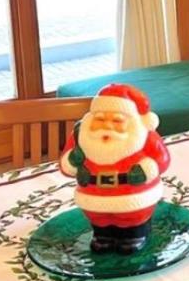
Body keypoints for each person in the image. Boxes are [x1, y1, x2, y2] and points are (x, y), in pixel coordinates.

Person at [60, 83, 170, 253]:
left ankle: (134, 236)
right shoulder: (81, 135)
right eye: (100, 119)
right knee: (99, 219)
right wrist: (71, 161)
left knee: (131, 218)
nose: (108, 125)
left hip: (133, 195)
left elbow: (162, 158)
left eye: (117, 120)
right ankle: (102, 236)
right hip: (93, 195)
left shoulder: (143, 134)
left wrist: (148, 168)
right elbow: (66, 163)